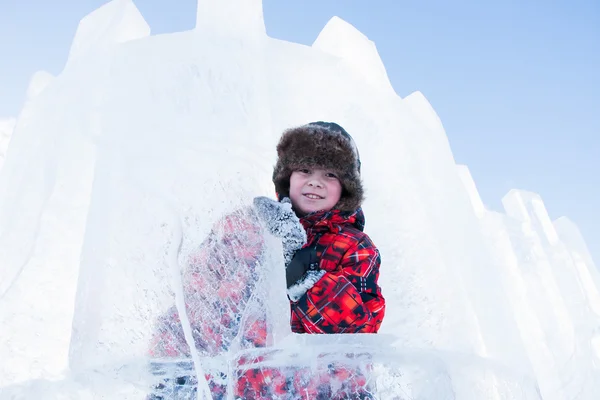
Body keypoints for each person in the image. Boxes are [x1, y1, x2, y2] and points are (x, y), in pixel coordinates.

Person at [148, 121, 385, 399]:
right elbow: (197, 297)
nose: (315, 181)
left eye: (330, 174)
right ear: (287, 177)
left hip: (317, 392)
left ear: (346, 188)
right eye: (305, 169)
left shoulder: (354, 247)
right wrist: (171, 369)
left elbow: (357, 327)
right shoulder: (244, 226)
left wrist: (297, 269)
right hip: (240, 389)